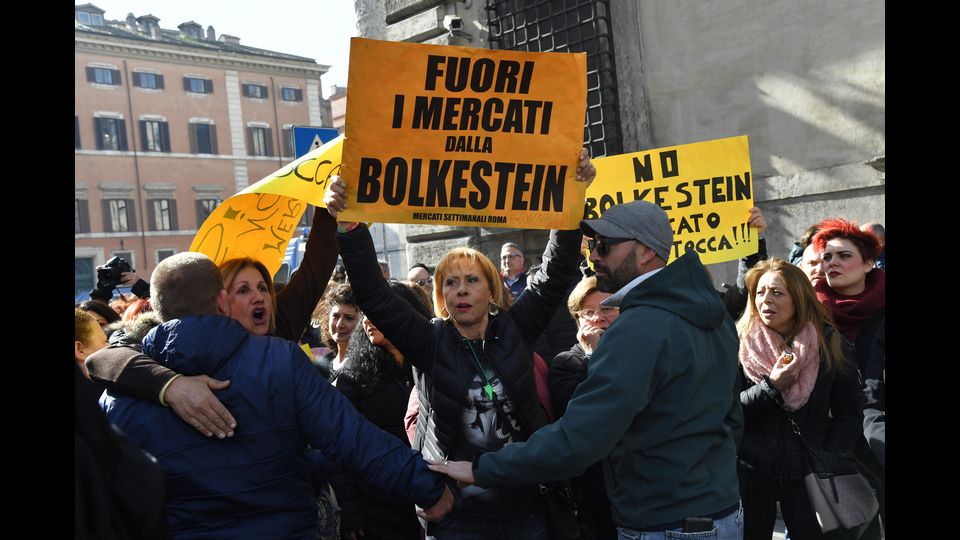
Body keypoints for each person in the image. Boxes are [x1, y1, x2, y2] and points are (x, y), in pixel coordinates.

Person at [430, 200, 745, 540]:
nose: (593, 255)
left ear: (645, 252)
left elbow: (579, 439)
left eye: (604, 246)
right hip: (719, 513)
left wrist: (482, 468)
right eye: (593, 245)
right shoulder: (713, 315)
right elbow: (733, 418)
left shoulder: (638, 328)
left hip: (666, 524)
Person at [324, 148, 595, 540]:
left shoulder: (516, 329)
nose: (462, 290)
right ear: (441, 295)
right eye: (451, 282)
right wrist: (349, 227)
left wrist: (572, 197)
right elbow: (374, 295)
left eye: (472, 280)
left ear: (491, 289)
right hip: (456, 518)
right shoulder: (429, 341)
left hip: (528, 511)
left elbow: (555, 274)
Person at [99, 252, 454, 538]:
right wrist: (429, 489)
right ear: (222, 300)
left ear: (158, 310)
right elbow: (353, 438)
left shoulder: (117, 396)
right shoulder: (278, 361)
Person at [86, 211, 340, 438]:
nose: (258, 296)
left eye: (263, 287)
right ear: (220, 301)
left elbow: (316, 265)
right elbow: (102, 360)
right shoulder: (180, 349)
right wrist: (169, 385)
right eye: (243, 290)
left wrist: (328, 208)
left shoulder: (279, 328)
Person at [735, 258, 864, 539]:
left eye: (777, 292)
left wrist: (831, 455)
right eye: (759, 292)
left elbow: (849, 412)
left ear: (799, 299)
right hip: (750, 474)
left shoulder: (830, 343)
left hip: (810, 476)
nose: (765, 300)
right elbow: (730, 411)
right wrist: (772, 388)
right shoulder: (739, 343)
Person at [331, 281, 433, 540]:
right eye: (365, 313)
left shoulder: (431, 367)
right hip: (375, 509)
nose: (368, 320)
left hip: (431, 500)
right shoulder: (353, 378)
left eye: (378, 311)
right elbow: (337, 448)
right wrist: (350, 508)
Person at [811, 218, 885, 536]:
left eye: (843, 255)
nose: (832, 263)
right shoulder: (810, 315)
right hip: (832, 445)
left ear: (869, 263)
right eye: (827, 257)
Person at [548, 275, 619, 540]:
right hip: (594, 493)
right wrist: (593, 357)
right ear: (577, 320)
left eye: (608, 309)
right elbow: (576, 412)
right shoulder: (565, 362)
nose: (599, 318)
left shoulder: (639, 353)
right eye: (589, 312)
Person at [314, 282, 361, 378]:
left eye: (349, 318)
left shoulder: (366, 366)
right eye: (335, 316)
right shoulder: (323, 364)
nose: (340, 324)